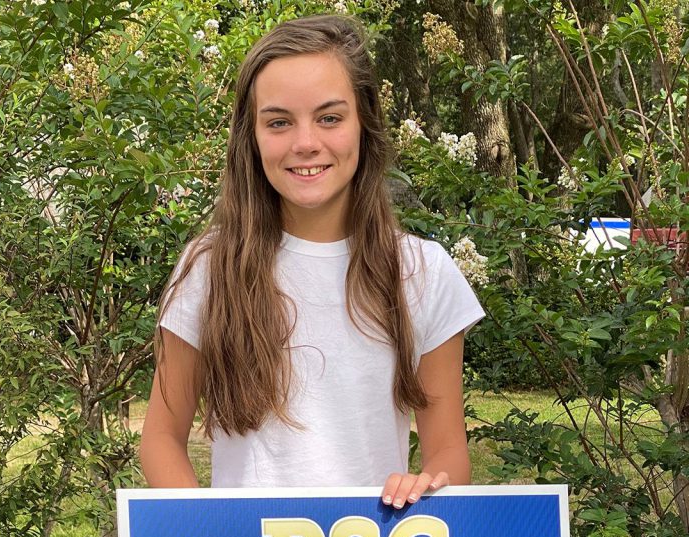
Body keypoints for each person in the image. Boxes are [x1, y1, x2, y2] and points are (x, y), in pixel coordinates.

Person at [139, 14, 484, 505]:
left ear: (364, 122)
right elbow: (160, 439)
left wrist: (426, 485)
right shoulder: (210, 266)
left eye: (329, 117)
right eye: (279, 122)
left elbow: (448, 451)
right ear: (251, 136)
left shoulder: (424, 274)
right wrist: (209, 535)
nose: (305, 143)